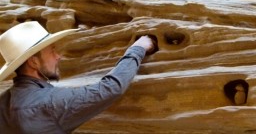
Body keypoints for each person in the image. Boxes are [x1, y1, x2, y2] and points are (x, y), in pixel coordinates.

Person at [0, 21, 155, 133]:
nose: (58, 56)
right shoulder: (49, 103)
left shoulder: (3, 101)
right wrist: (137, 49)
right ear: (33, 62)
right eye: (52, 51)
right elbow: (110, 88)